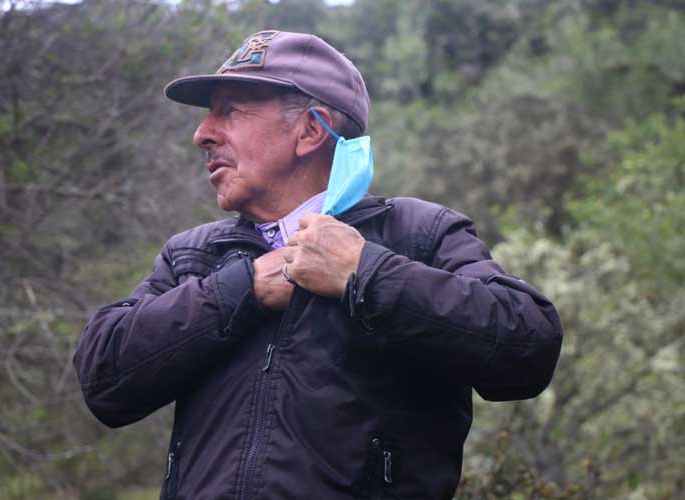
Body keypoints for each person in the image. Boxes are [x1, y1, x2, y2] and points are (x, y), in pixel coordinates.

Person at [74, 30, 563, 500]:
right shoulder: (194, 254)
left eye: (229, 112)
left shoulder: (419, 233)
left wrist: (365, 273)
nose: (203, 133)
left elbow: (529, 347)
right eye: (208, 116)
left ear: (309, 130)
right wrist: (244, 287)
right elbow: (104, 380)